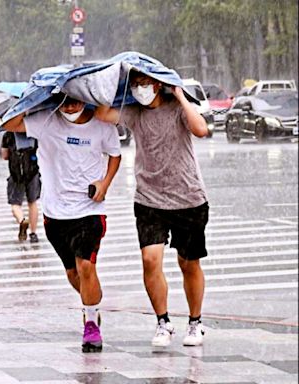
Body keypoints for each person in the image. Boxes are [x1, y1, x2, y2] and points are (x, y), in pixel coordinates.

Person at [94, 69, 210, 347]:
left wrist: (180, 95)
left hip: (188, 198)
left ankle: (195, 322)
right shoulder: (135, 112)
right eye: (134, 84)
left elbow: (201, 130)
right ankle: (163, 321)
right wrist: (111, 81)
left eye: (144, 83)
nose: (139, 89)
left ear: (158, 84)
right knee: (150, 260)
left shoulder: (178, 109)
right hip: (149, 199)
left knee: (188, 262)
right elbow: (102, 114)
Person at [3, 94, 121, 353]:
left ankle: (90, 324)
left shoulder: (102, 124)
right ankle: (92, 306)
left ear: (85, 100)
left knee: (86, 266)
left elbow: (115, 154)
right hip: (55, 213)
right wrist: (32, 99)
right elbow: (9, 124)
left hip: (90, 210)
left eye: (75, 102)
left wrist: (105, 183)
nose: (70, 108)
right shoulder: (46, 120)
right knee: (73, 273)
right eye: (65, 102)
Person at [1, 131, 41, 243]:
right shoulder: (33, 131)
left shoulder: (8, 134)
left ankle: (22, 220)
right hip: (33, 172)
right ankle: (33, 233)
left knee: (15, 204)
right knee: (32, 203)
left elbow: (4, 155)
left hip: (16, 174)